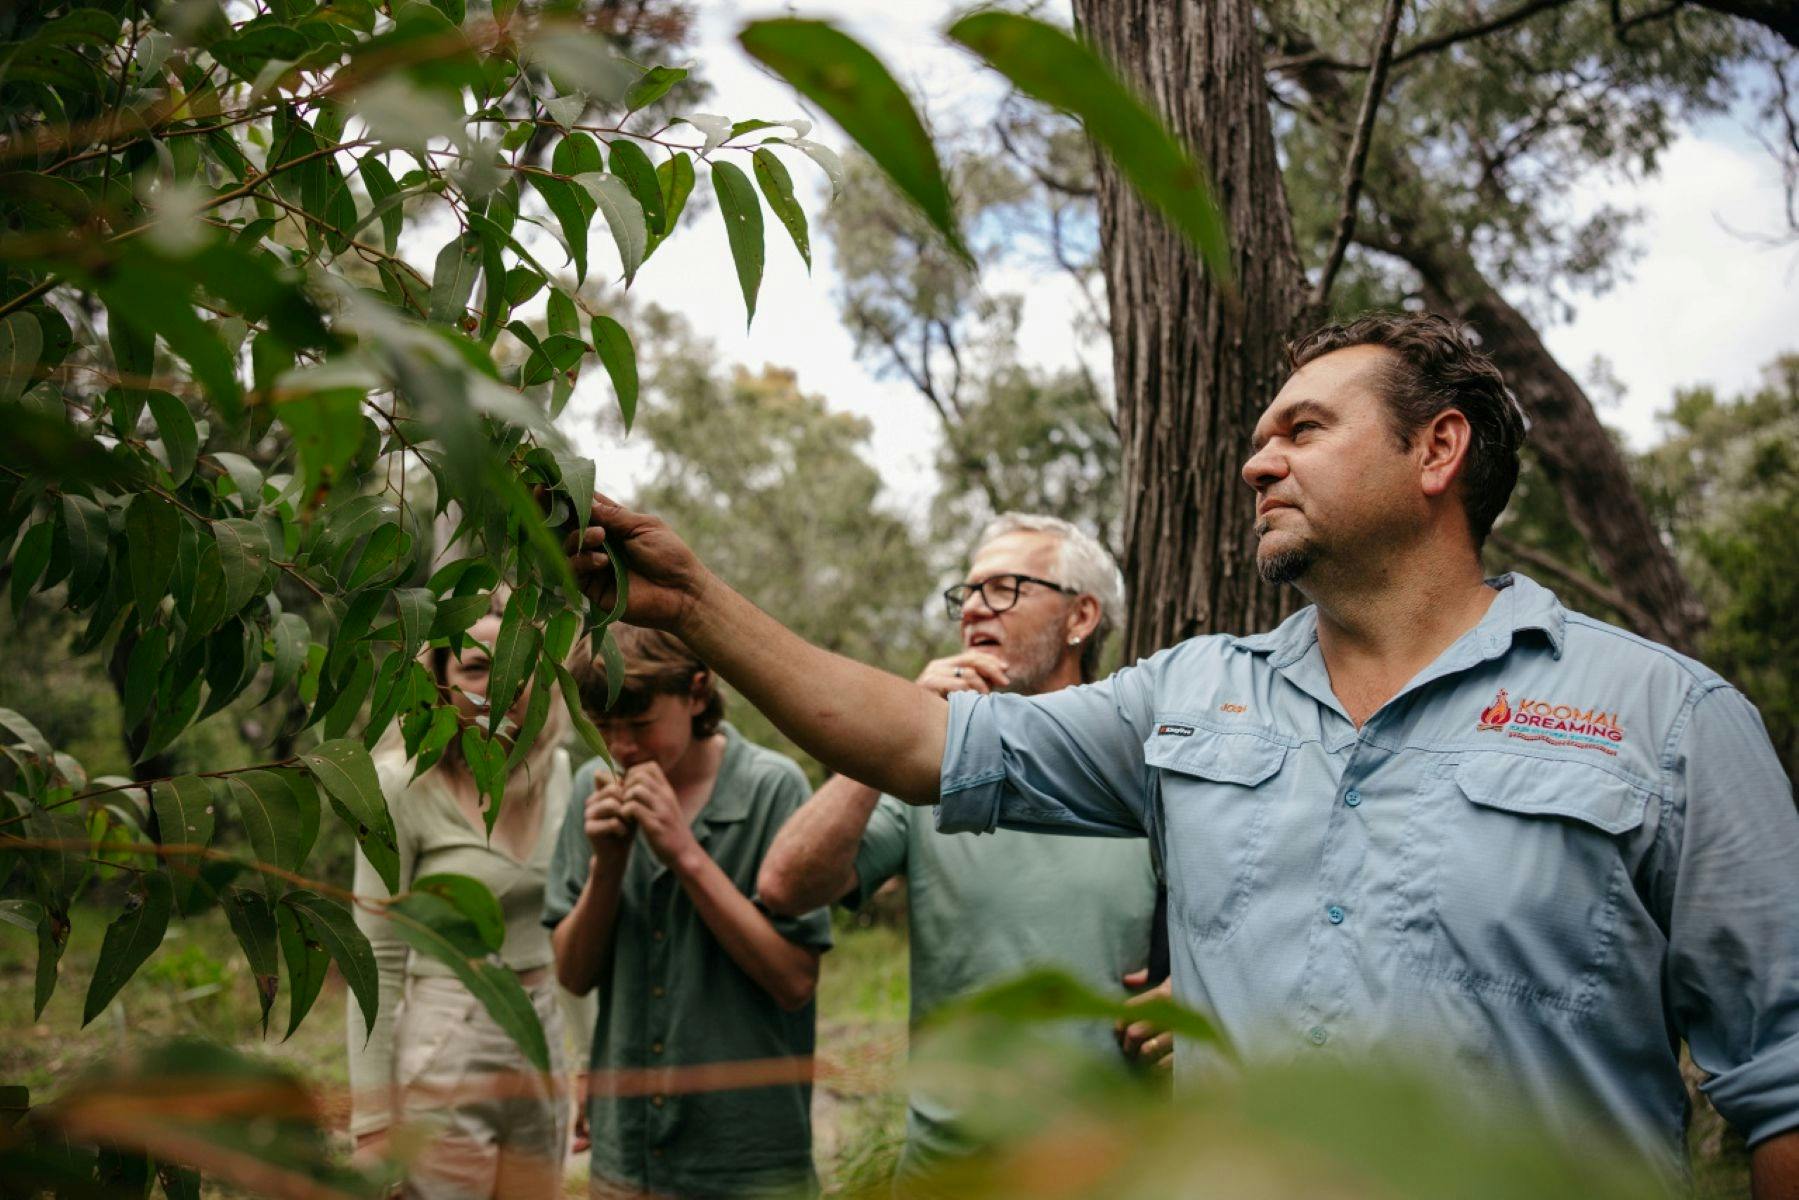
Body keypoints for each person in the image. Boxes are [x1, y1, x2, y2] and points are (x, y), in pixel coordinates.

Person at [565, 312, 1799, 1191]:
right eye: (1260, 434)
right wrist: (691, 604)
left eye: (1303, 429)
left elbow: (1781, 1086)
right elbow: (925, 743)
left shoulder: (1668, 724)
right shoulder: (1193, 700)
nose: (1257, 458)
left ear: (1437, 453)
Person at [756, 512, 1162, 1190]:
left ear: (1080, 618)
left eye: (1004, 588)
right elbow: (786, 885)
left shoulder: (1142, 757)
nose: (973, 607)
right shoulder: (929, 772)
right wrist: (894, 737)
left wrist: (1196, 989)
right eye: (966, 592)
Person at [544, 625, 833, 1199]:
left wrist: (683, 852)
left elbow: (794, 980)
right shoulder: (590, 788)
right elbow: (573, 975)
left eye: (641, 724)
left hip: (750, 1161)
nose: (621, 748)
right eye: (604, 729)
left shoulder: (772, 789)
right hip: (628, 1160)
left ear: (697, 693)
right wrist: (608, 865)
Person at [349, 608, 579, 1199]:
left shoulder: (560, 773)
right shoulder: (399, 785)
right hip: (448, 1036)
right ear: (440, 682)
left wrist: (595, 1065)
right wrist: (373, 1121)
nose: (500, 687)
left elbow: (574, 930)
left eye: (518, 668)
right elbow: (374, 952)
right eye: (478, 669)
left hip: (543, 1032)